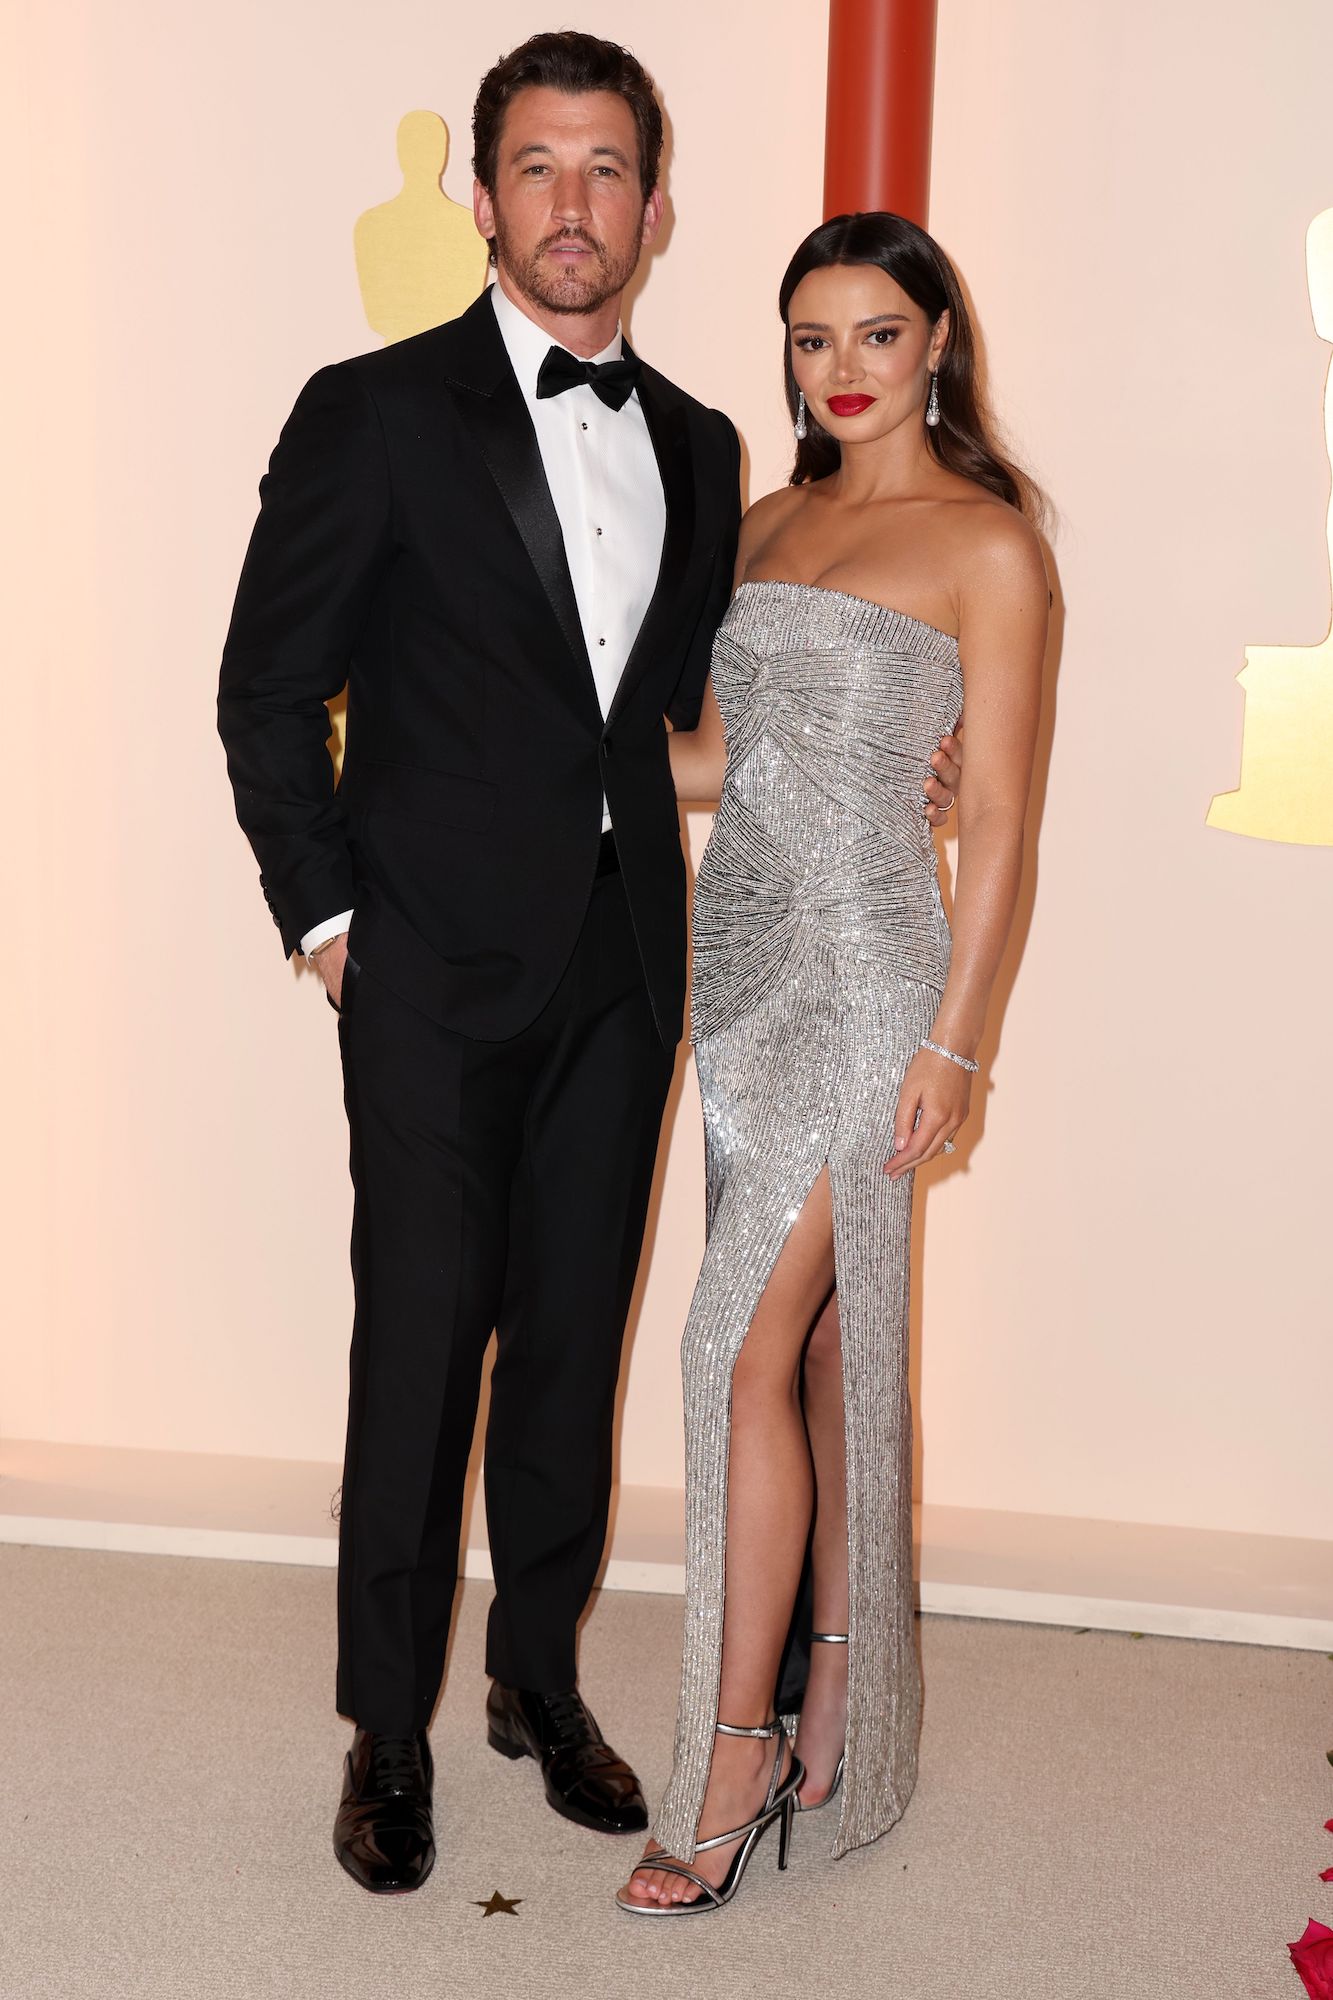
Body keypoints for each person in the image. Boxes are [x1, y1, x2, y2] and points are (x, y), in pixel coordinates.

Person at [219, 34, 962, 1897]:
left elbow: (692, 719)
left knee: (570, 1348)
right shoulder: (371, 410)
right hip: (423, 972)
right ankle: (386, 1729)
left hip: (630, 971)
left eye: (606, 168)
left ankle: (534, 1680)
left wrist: (902, 753)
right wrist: (331, 928)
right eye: (538, 168)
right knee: (419, 1352)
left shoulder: (705, 446)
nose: (573, 204)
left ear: (655, 207)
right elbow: (264, 687)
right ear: (485, 200)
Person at [618, 211, 1047, 1916]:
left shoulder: (986, 545)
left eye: (876, 333)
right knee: (808, 1347)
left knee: (727, 1343)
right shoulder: (766, 523)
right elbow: (717, 761)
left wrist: (958, 1040)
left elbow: (996, 816)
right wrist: (520, 734)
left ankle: (728, 1758)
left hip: (875, 981)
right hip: (737, 970)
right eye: (811, 338)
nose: (841, 368)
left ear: (936, 341)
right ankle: (840, 1692)